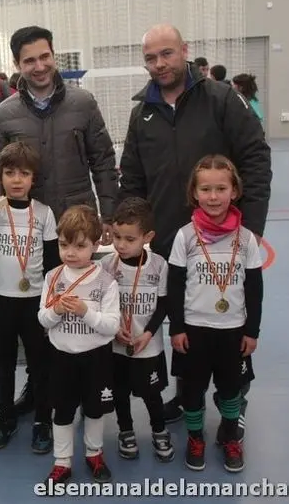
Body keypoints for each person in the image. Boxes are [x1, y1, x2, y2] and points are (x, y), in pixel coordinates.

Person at [118, 23, 271, 426]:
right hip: (171, 241)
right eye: (151, 58)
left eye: (166, 53)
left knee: (230, 317)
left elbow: (255, 158)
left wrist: (253, 225)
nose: (159, 63)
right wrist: (130, 233)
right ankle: (189, 395)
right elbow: (132, 178)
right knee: (183, 322)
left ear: (184, 50)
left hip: (224, 240)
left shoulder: (221, 99)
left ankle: (234, 398)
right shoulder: (141, 114)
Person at [0, 25, 119, 416]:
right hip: (30, 235)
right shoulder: (5, 113)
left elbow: (103, 159)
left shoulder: (83, 103)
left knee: (82, 307)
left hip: (77, 227)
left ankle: (84, 385)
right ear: (17, 64)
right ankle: (42, 389)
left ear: (54, 55)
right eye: (29, 60)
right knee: (43, 315)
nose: (40, 66)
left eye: (45, 56)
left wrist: (108, 212)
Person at [167, 155, 263, 472]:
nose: (213, 196)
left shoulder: (246, 239)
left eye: (221, 188)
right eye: (205, 189)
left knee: (231, 389)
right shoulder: (185, 236)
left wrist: (252, 331)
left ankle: (231, 436)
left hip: (232, 329)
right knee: (193, 390)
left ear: (234, 191)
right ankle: (196, 437)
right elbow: (175, 285)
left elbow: (254, 289)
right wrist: (176, 328)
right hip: (194, 329)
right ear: (194, 193)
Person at [0, 141, 59, 453]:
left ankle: (43, 420)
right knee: (4, 361)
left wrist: (51, 300)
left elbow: (52, 262)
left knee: (41, 363)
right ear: (0, 176)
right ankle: (5, 416)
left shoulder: (44, 213)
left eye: (24, 173)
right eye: (10, 173)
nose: (16, 180)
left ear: (33, 178)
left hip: (35, 301)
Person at [37, 205, 120, 485]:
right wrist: (56, 311)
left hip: (96, 357)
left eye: (80, 246)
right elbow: (43, 319)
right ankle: (62, 461)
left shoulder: (106, 282)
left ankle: (94, 453)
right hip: (61, 357)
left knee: (95, 409)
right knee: (62, 411)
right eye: (64, 245)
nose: (70, 253)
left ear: (96, 245)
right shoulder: (52, 277)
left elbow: (112, 326)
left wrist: (85, 312)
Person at [100, 197, 173, 463]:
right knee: (120, 393)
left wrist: (148, 333)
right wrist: (113, 329)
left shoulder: (159, 265)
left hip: (147, 346)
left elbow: (163, 305)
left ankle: (159, 430)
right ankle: (126, 431)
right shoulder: (107, 265)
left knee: (152, 395)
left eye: (129, 239)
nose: (120, 244)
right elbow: (101, 304)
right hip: (117, 345)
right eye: (117, 237)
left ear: (147, 237)